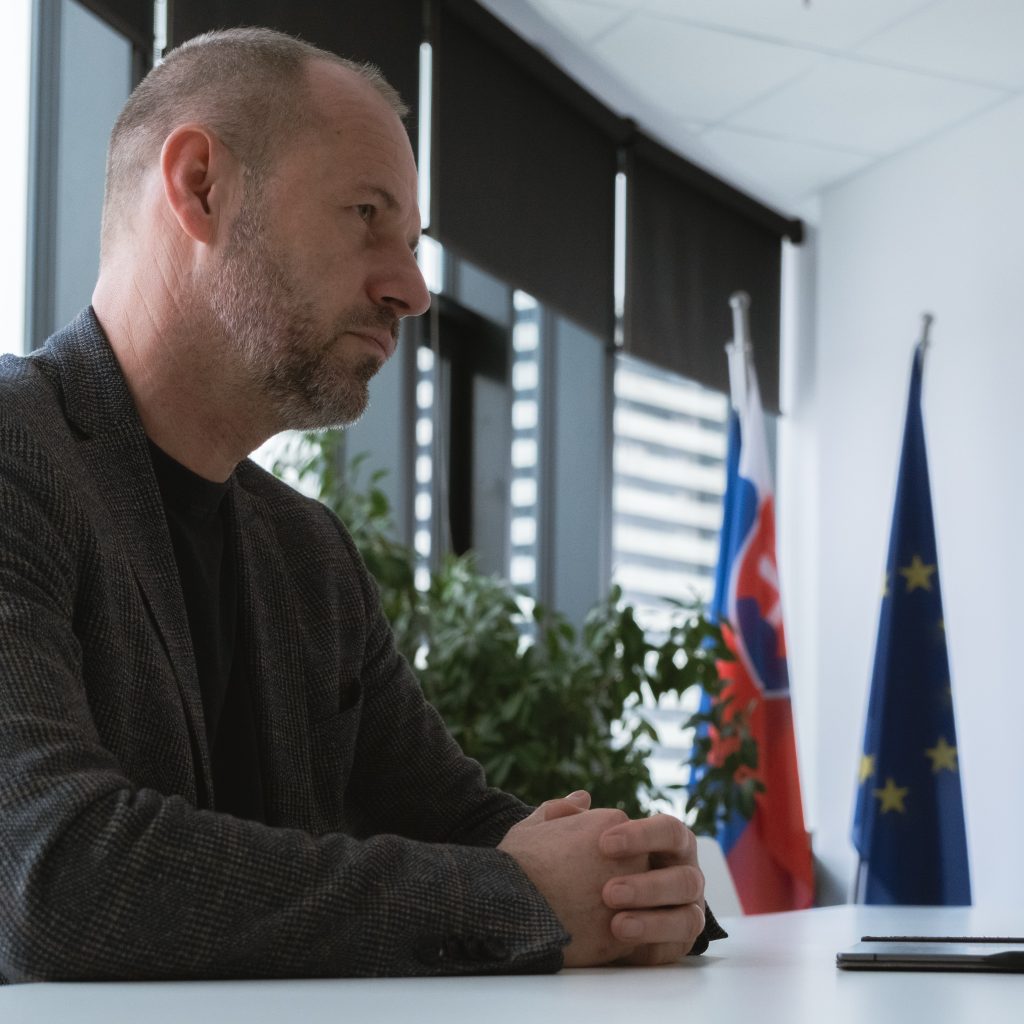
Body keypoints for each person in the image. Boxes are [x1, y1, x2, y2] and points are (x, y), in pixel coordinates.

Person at [0, 28, 723, 983]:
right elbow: (51, 883)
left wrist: (632, 887)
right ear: (201, 187)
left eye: (412, 244)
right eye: (366, 215)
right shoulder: (16, 455)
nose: (412, 290)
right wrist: (520, 902)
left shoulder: (310, 554)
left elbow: (464, 823)